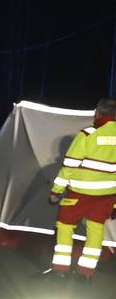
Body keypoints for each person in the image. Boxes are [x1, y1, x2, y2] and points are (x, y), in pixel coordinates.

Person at [48, 97, 116, 279]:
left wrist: (56, 192)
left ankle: (60, 270)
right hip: (107, 196)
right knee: (95, 230)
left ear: (97, 113)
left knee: (65, 226)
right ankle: (85, 273)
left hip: (79, 194)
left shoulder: (87, 135)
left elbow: (69, 166)